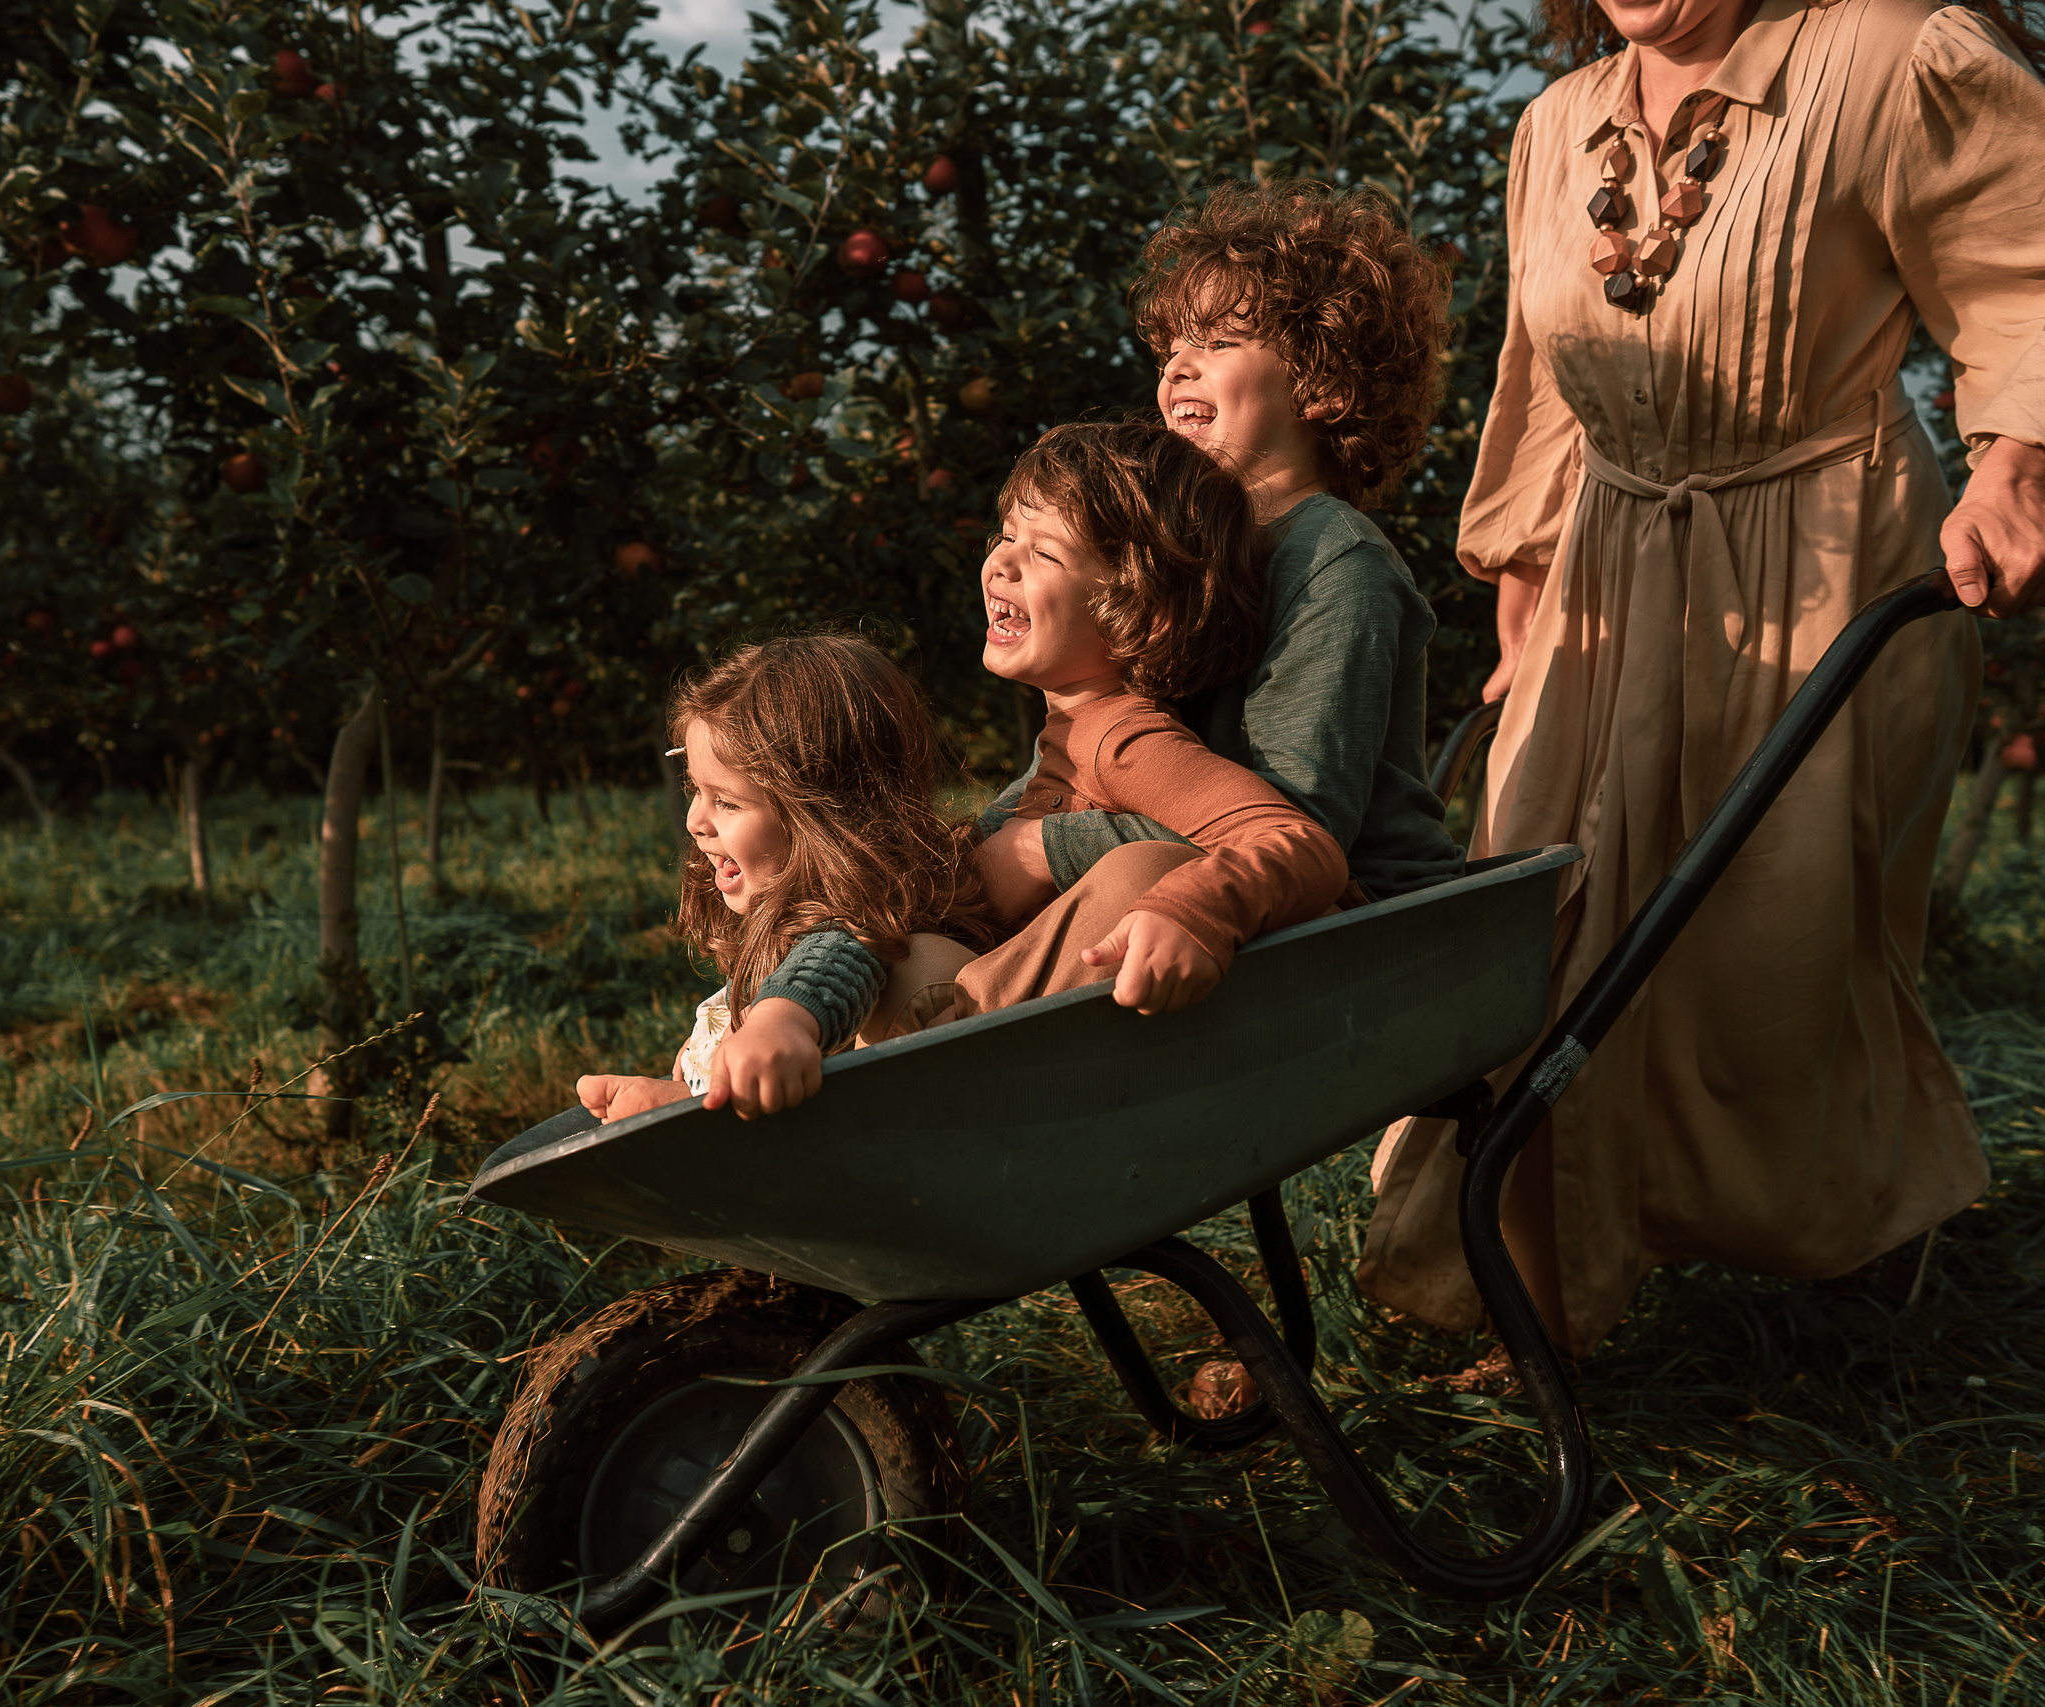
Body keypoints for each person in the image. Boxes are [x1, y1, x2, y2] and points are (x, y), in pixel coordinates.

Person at [1361, 0, 2045, 1378]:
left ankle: (1844, 1253)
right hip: (1606, 578)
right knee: (1540, 920)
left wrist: (2017, 467)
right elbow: (1550, 381)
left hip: (1827, 562)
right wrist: (1525, 589)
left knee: (1777, 951)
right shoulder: (1559, 125)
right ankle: (1537, 1299)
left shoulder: (1889, 59)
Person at [746, 181, 1467, 1089]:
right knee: (899, 890)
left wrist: (1043, 850)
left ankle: (921, 1068)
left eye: (1218, 342)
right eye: (1170, 348)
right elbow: (1097, 744)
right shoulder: (1187, 552)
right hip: (1218, 900)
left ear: (1321, 384)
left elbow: (1301, 820)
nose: (1177, 368)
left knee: (1129, 875)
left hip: (1353, 931)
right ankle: (739, 1048)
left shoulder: (1333, 559)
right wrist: (978, 851)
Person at [931, 422, 1351, 1022]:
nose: (1001, 563)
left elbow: (1299, 843)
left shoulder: (1123, 739)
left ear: (1139, 613)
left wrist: (1191, 910)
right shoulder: (1069, 734)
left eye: (1044, 552)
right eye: (1007, 535)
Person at [571, 634, 1000, 1126]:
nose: (695, 821)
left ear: (823, 818)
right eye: (695, 789)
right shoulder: (778, 927)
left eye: (726, 801)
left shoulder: (857, 928)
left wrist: (782, 1020)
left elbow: (841, 948)